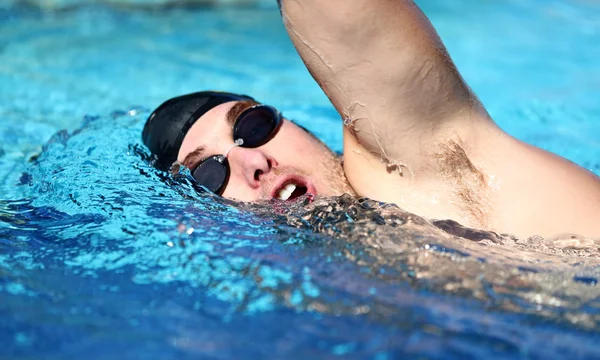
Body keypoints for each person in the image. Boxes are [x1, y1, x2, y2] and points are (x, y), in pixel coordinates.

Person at [142, 0, 600, 240]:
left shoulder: (424, 175)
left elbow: (346, 18)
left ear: (299, 126)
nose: (254, 160)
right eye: (208, 174)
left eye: (253, 126)